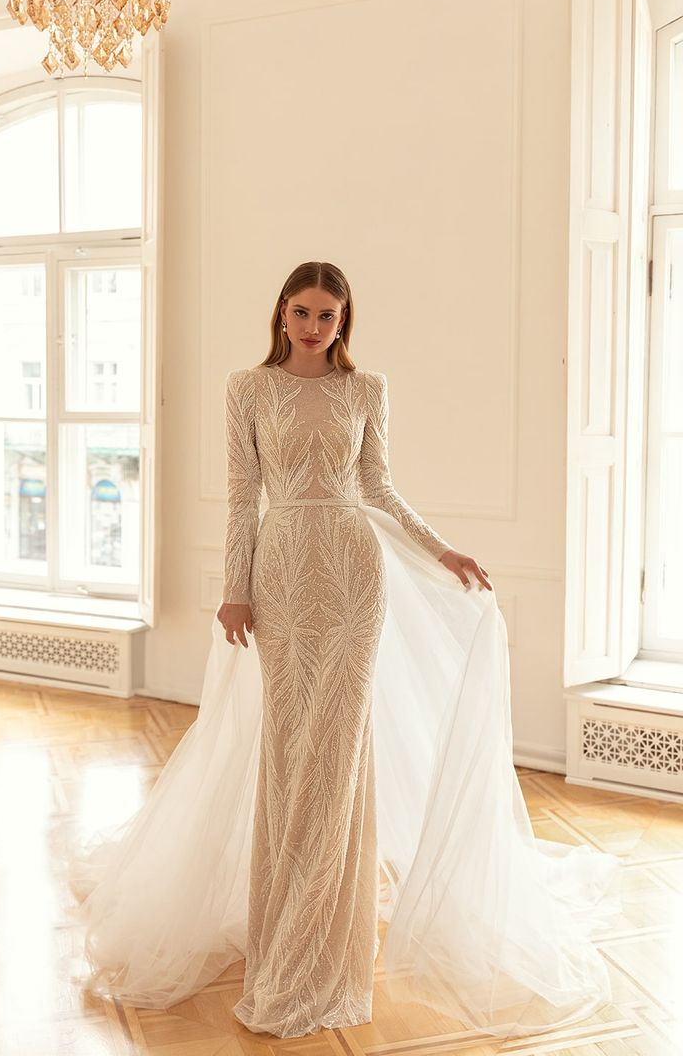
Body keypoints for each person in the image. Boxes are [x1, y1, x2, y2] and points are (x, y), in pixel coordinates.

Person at [67, 261, 623, 1041]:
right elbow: (240, 496)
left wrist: (443, 551)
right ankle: (286, 920)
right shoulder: (248, 389)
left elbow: (381, 488)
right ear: (281, 312)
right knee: (292, 751)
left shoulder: (367, 391)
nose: (313, 327)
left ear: (344, 320)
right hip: (283, 571)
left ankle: (321, 946)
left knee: (335, 754)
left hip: (356, 577)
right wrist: (235, 588)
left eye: (328, 316)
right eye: (302, 312)